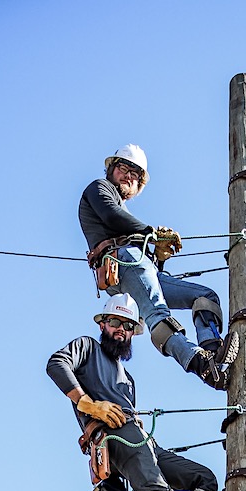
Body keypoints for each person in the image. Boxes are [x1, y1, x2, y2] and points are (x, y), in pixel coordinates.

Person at [47, 296, 246, 491]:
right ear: (103, 324)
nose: (120, 330)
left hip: (141, 440)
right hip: (115, 435)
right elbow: (56, 363)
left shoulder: (128, 378)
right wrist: (88, 403)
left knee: (204, 478)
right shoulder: (86, 348)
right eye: (114, 322)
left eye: (127, 326)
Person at [78, 142, 227, 388]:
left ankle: (212, 350)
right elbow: (111, 215)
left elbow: (144, 258)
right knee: (157, 313)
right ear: (111, 168)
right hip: (122, 261)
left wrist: (157, 254)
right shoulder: (99, 188)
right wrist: (152, 232)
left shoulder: (123, 211)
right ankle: (200, 363)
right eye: (124, 168)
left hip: (137, 265)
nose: (128, 176)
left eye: (135, 175)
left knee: (204, 296)